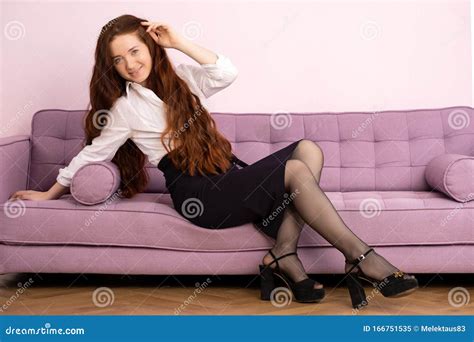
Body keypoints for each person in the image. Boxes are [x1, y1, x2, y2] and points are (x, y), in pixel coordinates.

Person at [9, 14, 418, 308]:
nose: (130, 64)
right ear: (111, 67)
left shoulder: (184, 80)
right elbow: (92, 152)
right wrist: (49, 192)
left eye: (135, 50)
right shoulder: (123, 110)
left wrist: (179, 40)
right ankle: (361, 258)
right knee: (294, 171)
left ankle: (284, 254)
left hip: (225, 175)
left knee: (308, 150)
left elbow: (226, 72)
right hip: (198, 195)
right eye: (119, 59)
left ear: (150, 46)